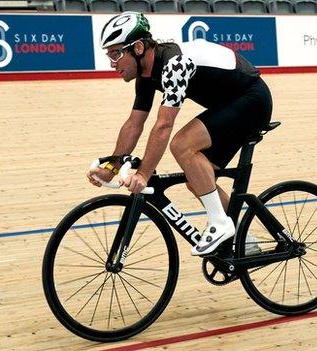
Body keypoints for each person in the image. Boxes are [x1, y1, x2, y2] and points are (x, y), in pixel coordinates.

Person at [86, 12, 272, 256]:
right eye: (109, 54)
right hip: (230, 105)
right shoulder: (145, 76)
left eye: (116, 53)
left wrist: (143, 174)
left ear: (138, 47)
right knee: (198, 182)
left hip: (252, 100)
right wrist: (112, 165)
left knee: (182, 144)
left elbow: (164, 125)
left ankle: (220, 223)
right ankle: (246, 240)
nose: (112, 62)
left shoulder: (175, 64)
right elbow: (134, 124)